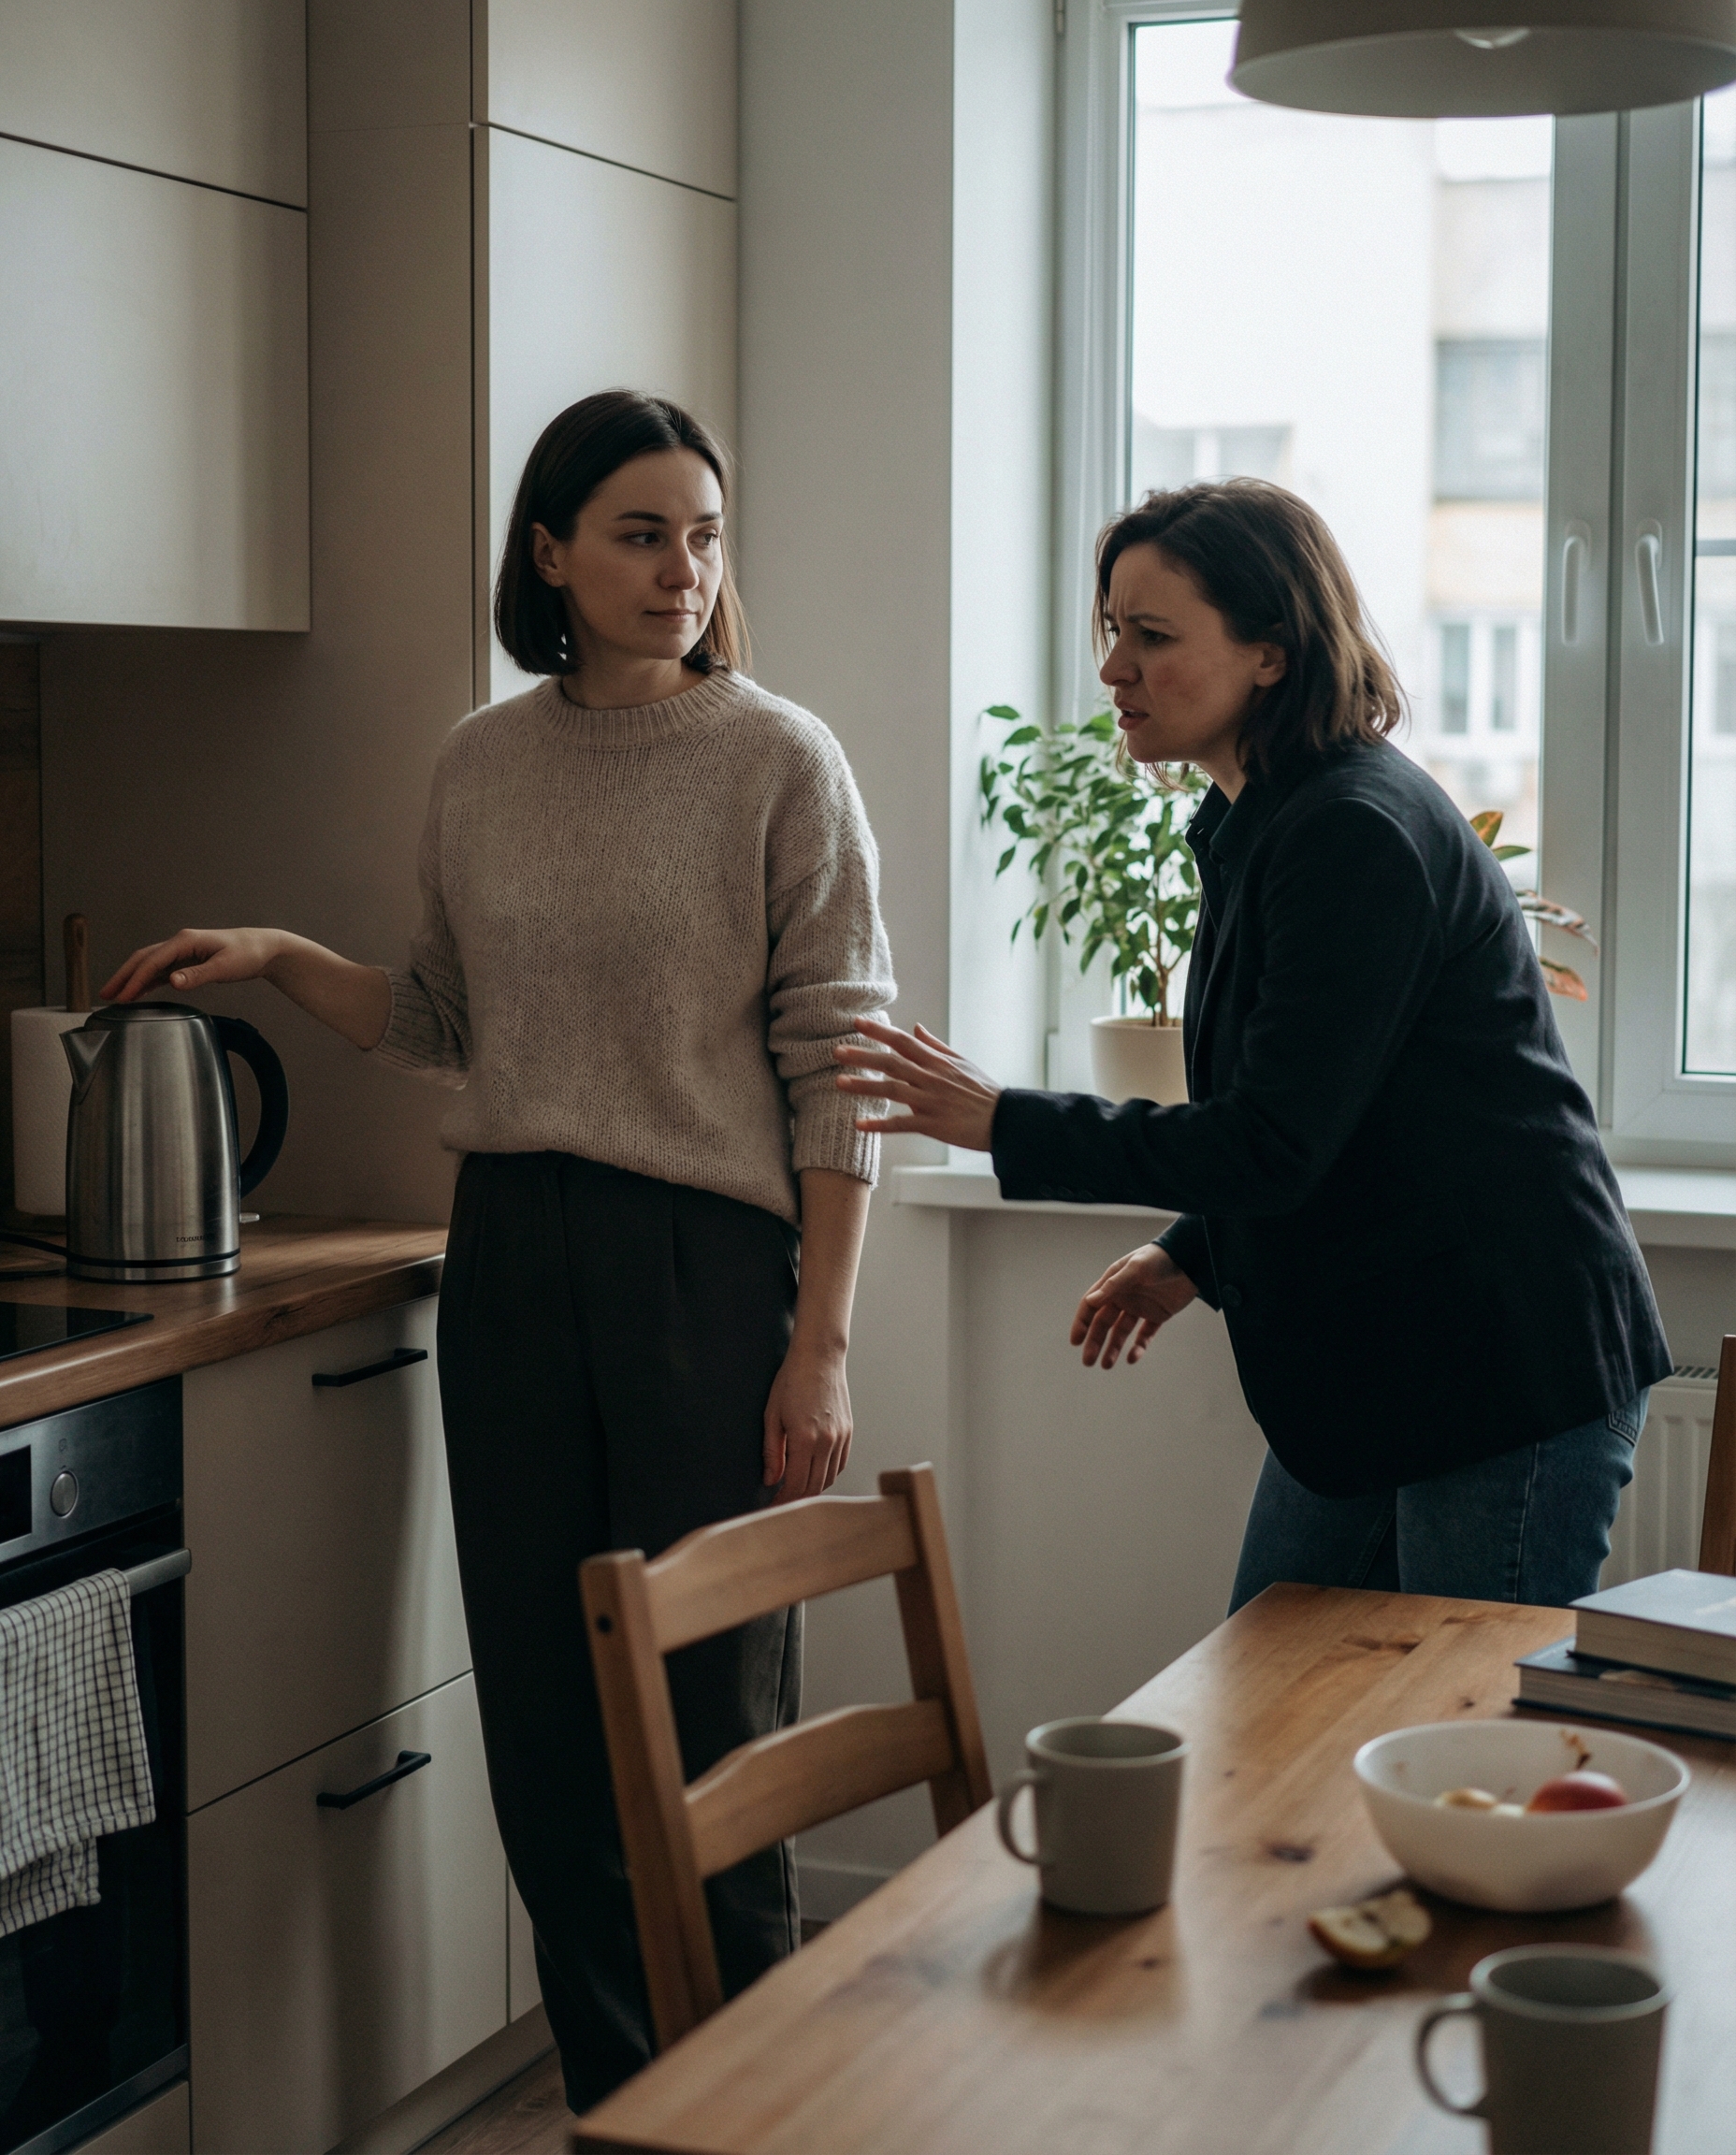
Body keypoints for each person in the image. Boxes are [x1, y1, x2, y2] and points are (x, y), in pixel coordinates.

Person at [102, 389, 893, 2109]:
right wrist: (277, 950)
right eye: (639, 532)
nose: (683, 567)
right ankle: (624, 2100)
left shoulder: (780, 758)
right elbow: (451, 1015)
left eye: (703, 533)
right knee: (545, 1720)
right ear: (549, 550)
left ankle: (745, 2101)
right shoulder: (482, 758)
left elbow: (841, 1065)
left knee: (711, 1723)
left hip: (708, 1264)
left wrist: (818, 1337)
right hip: (514, 1259)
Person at [836, 479, 1670, 1613]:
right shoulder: (1265, 815)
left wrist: (1004, 1122)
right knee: (1261, 1711)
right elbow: (1337, 1111)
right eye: (1110, 633)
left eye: (1152, 636)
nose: (1112, 670)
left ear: (1268, 654)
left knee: (1460, 1748)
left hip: (1496, 1362)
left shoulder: (1348, 833)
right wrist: (1191, 1252)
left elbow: (1272, 1140)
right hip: (1386, 1372)